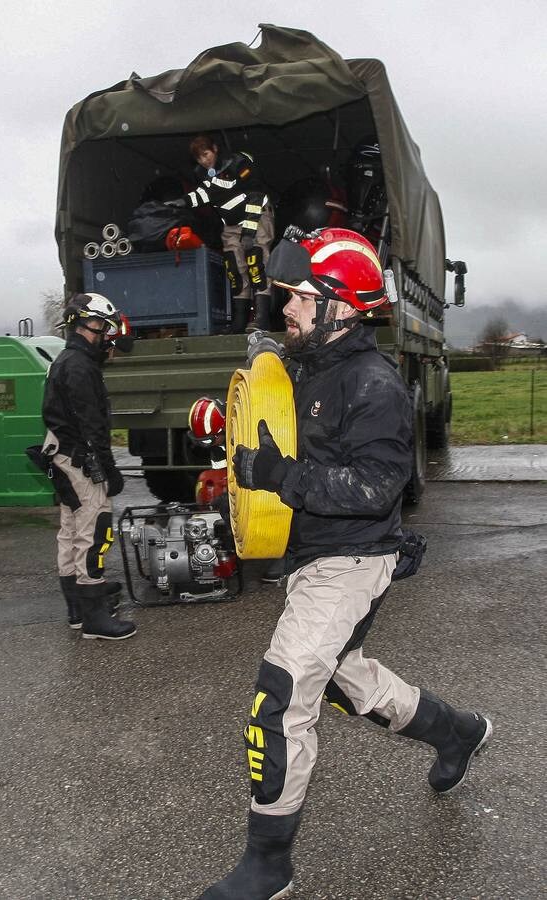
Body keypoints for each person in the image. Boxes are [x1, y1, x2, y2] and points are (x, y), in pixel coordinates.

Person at [198, 227, 492, 899]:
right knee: (344, 681)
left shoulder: (373, 383)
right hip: (308, 555)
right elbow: (272, 429)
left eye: (300, 297)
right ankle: (458, 732)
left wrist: (278, 474)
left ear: (341, 304)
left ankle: (268, 862)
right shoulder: (303, 363)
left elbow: (372, 489)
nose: (287, 310)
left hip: (352, 559)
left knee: (283, 691)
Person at [42, 292, 137, 641]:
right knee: (94, 531)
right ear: (83, 324)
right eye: (99, 325)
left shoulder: (67, 360)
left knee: (70, 530)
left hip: (63, 455)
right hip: (79, 459)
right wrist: (108, 468)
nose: (103, 335)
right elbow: (91, 424)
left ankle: (77, 609)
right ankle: (94, 616)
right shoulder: (79, 367)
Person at [168, 134, 275, 334]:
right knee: (234, 268)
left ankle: (262, 319)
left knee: (256, 262)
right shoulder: (203, 173)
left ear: (215, 149)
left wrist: (249, 231)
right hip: (231, 224)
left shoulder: (239, 164)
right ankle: (239, 321)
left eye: (206, 154)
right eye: (199, 158)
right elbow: (205, 193)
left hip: (256, 215)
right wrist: (183, 201)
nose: (204, 160)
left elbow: (255, 194)